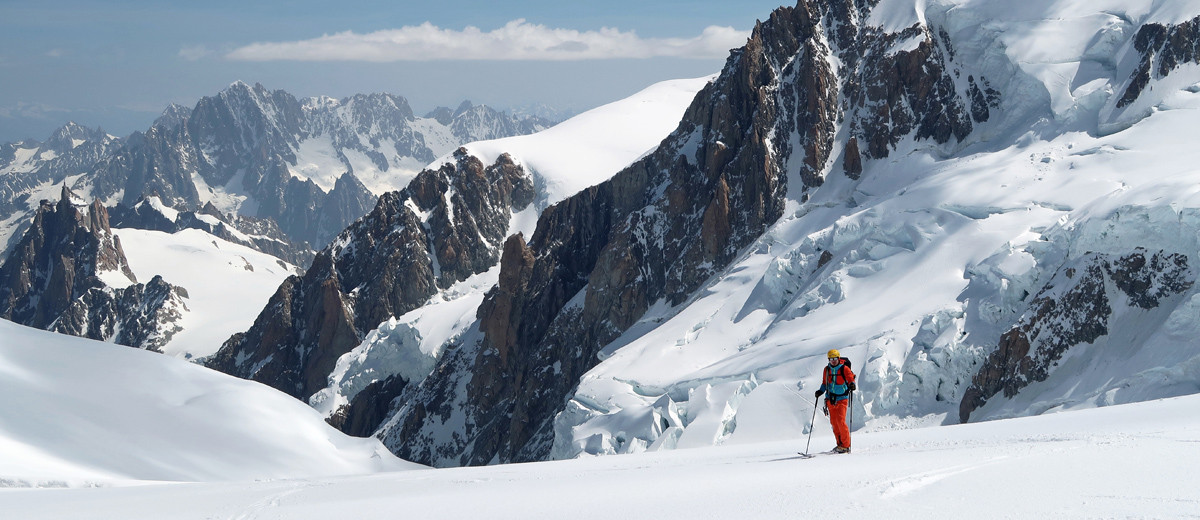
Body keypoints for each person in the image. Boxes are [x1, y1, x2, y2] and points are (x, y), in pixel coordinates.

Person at [814, 349, 856, 454]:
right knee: (834, 423)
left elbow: (851, 379)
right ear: (829, 359)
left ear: (838, 358)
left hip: (842, 398)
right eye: (831, 359)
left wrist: (852, 384)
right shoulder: (826, 370)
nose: (833, 361)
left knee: (841, 422)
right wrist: (820, 391)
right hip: (830, 399)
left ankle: (846, 446)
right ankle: (840, 444)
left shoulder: (844, 369)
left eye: (835, 358)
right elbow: (825, 383)